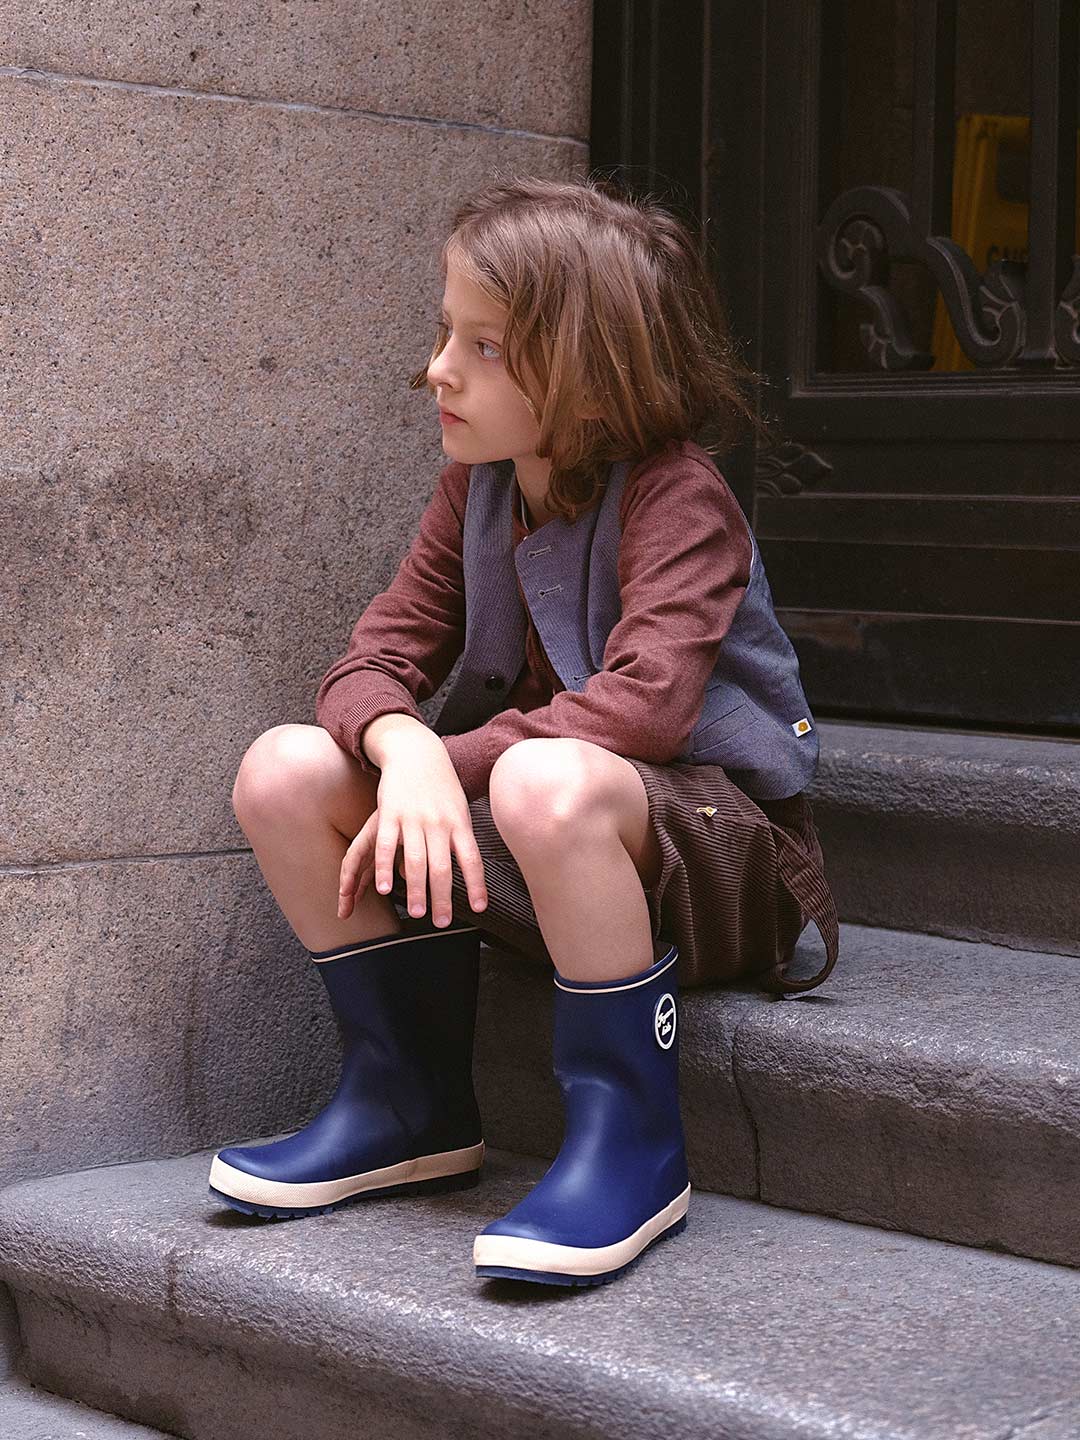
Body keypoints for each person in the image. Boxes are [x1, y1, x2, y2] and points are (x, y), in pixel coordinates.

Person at [207, 173, 841, 1288]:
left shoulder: (678, 499)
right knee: (285, 771)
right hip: (546, 839)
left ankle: (631, 1146)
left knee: (548, 777)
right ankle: (406, 1103)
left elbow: (643, 707)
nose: (438, 368)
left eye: (486, 346)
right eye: (446, 331)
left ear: (593, 377)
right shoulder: (479, 491)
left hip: (722, 866)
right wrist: (402, 749)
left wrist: (441, 765)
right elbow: (370, 663)